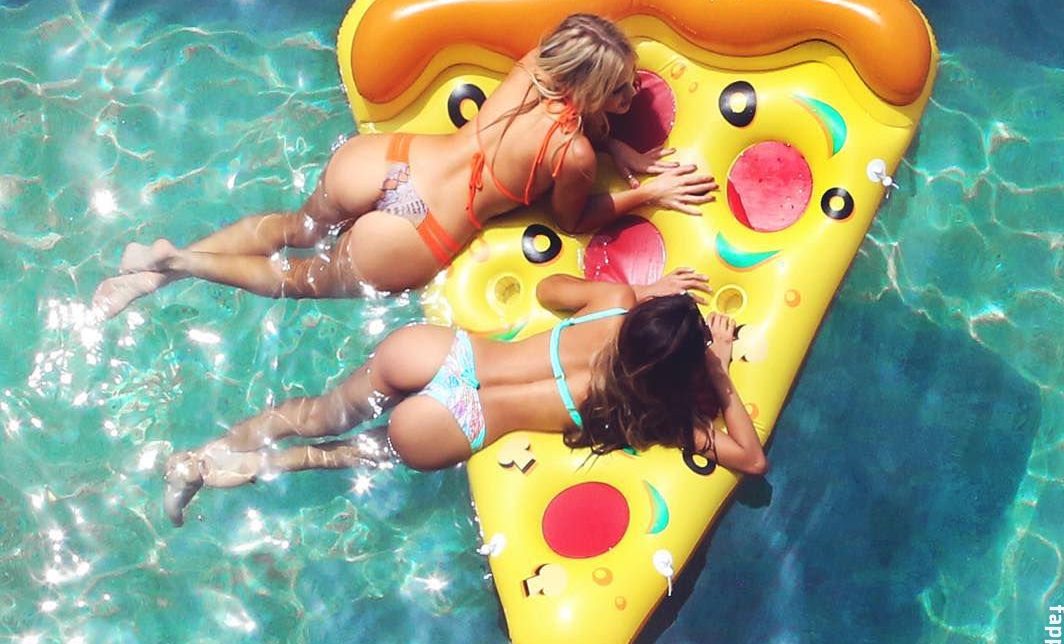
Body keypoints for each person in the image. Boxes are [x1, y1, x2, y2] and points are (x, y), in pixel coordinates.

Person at [93, 14, 717, 317]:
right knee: (299, 280)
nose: (630, 97)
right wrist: (650, 190)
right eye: (619, 90)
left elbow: (569, 112)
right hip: (423, 229)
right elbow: (573, 220)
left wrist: (614, 143)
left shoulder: (533, 64)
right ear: (589, 92)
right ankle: (177, 264)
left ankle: (154, 267)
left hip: (385, 162)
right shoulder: (572, 153)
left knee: (293, 228)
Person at [163, 268, 768, 526]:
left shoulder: (611, 303)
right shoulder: (648, 413)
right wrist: (718, 370)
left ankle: (202, 456)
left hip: (438, 354)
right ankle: (230, 473)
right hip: (454, 421)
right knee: (334, 454)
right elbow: (750, 459)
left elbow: (551, 289)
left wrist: (640, 291)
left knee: (316, 414)